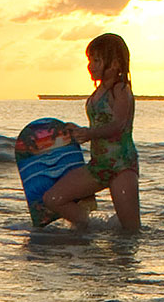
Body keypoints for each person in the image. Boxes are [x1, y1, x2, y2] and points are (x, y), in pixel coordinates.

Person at [43, 33, 140, 232]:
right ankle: (89, 228)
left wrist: (89, 134)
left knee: (131, 232)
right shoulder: (97, 93)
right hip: (99, 165)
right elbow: (98, 123)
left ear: (114, 63)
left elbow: (118, 125)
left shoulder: (120, 90)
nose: (90, 65)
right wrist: (75, 131)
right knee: (52, 199)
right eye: (90, 60)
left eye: (96, 60)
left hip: (121, 165)